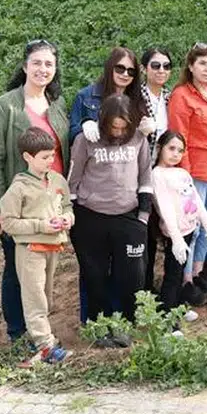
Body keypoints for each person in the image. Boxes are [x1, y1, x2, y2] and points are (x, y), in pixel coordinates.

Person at [0, 39, 69, 346]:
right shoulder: (4, 105)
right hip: (19, 203)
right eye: (37, 63)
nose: (43, 69)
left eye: (49, 64)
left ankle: (40, 328)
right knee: (16, 268)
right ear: (25, 67)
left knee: (43, 270)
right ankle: (17, 332)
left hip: (52, 201)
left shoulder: (58, 105)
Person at [68, 94, 153, 348]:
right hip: (90, 217)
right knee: (95, 276)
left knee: (132, 277)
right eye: (113, 126)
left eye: (123, 127)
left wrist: (143, 218)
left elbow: (146, 176)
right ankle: (100, 327)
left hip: (129, 217)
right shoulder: (86, 140)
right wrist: (72, 214)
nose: (118, 132)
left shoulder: (138, 138)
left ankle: (125, 325)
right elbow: (72, 180)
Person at [0, 127, 75, 365]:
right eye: (44, 157)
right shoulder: (19, 187)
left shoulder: (58, 180)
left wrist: (67, 220)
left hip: (54, 247)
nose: (50, 161)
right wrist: (42, 225)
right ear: (28, 157)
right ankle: (46, 347)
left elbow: (68, 207)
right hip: (30, 250)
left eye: (52, 156)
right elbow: (8, 223)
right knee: (34, 299)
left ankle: (42, 340)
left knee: (46, 297)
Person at [168, 43, 207, 284]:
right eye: (202, 63)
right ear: (191, 66)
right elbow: (178, 137)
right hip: (194, 171)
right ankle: (185, 280)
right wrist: (184, 174)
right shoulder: (181, 96)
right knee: (192, 225)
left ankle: (197, 270)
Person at [152, 131, 207, 315]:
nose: (175, 154)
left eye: (180, 150)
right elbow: (164, 207)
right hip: (174, 233)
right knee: (173, 275)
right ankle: (169, 319)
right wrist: (175, 238)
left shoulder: (182, 173)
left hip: (189, 228)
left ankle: (178, 306)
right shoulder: (157, 175)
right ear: (160, 148)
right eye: (171, 148)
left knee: (182, 271)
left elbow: (196, 201)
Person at [139, 46, 173, 294]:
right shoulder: (135, 99)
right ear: (144, 68)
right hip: (140, 174)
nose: (161, 70)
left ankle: (169, 291)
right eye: (156, 65)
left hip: (166, 172)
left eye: (166, 66)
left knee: (168, 231)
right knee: (146, 236)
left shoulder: (171, 98)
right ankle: (145, 291)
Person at [69, 47, 151, 145]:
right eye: (120, 69)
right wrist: (84, 124)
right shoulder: (85, 96)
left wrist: (147, 129)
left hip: (126, 158)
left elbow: (143, 143)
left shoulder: (138, 99)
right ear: (110, 68)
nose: (125, 74)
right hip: (95, 156)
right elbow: (70, 136)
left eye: (131, 71)